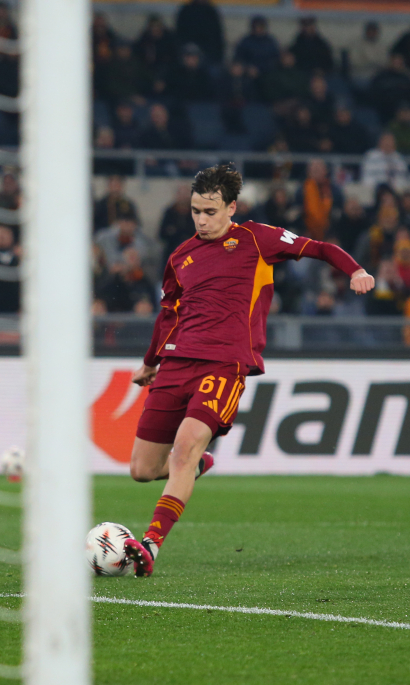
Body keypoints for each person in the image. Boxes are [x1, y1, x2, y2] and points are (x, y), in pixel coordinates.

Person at [123, 164, 374, 576]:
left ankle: (150, 544)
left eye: (210, 211)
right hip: (176, 365)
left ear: (231, 207)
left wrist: (357, 271)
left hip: (225, 363)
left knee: (183, 449)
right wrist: (150, 363)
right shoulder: (180, 257)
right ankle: (199, 465)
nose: (201, 220)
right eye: (195, 211)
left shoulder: (257, 238)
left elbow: (321, 248)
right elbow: (167, 316)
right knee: (142, 470)